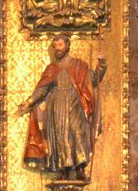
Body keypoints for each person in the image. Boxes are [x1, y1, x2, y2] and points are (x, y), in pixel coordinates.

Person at [17, 33, 107, 179]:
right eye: (55, 46)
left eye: (60, 45)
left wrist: (102, 64)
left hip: (75, 105)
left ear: (67, 46)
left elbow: (94, 80)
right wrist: (29, 102)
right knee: (60, 138)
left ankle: (80, 169)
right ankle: (63, 171)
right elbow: (42, 89)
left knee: (78, 133)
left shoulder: (79, 66)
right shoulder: (51, 68)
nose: (58, 49)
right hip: (56, 106)